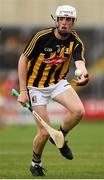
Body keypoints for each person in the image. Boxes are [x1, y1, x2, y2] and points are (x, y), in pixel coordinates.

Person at [17, 5, 89, 176]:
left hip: (57, 83)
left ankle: (59, 136)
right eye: (61, 19)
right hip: (36, 87)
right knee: (42, 132)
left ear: (73, 22)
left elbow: (80, 63)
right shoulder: (41, 37)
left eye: (68, 19)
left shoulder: (75, 41)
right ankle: (36, 163)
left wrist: (84, 74)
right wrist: (22, 91)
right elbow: (22, 60)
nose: (64, 23)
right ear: (56, 20)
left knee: (78, 111)